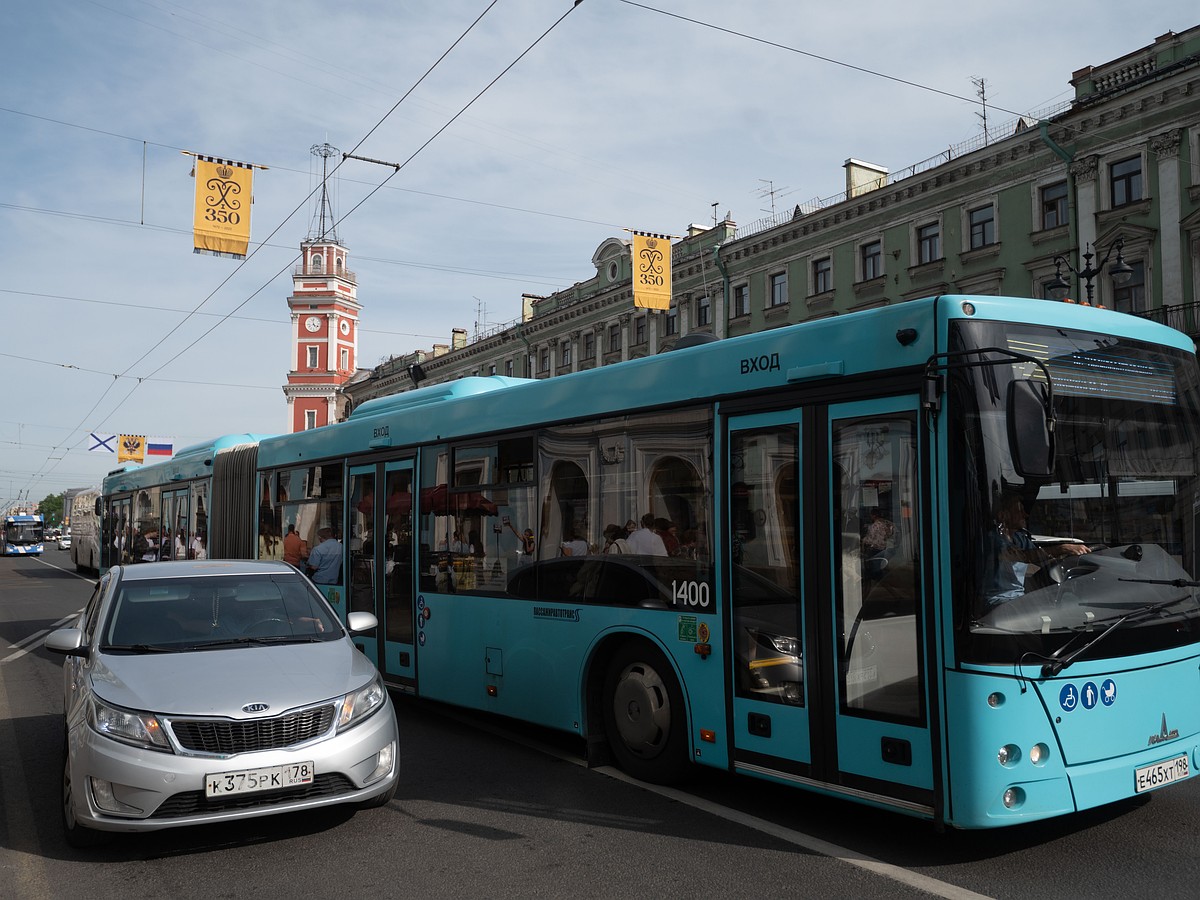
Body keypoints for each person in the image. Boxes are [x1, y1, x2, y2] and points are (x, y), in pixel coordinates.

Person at [987, 493, 1088, 604]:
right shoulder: (993, 540)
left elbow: (1041, 557)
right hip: (999, 600)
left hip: (1018, 597)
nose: (1025, 515)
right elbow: (1025, 556)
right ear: (1003, 515)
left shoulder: (1019, 538)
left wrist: (1066, 560)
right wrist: (1062, 548)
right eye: (1019, 511)